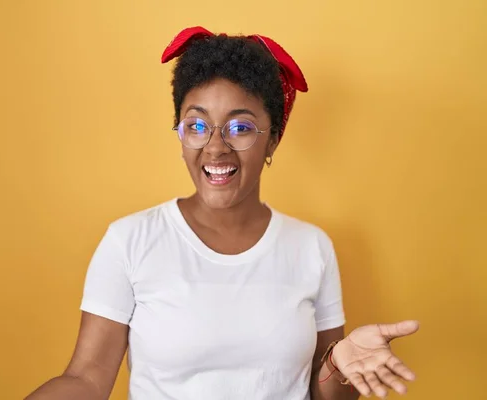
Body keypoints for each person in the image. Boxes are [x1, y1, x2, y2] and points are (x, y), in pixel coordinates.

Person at [26, 26, 419, 400]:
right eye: (196, 125)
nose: (215, 148)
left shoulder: (312, 248)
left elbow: (325, 392)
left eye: (240, 128)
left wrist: (339, 366)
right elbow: (86, 379)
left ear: (273, 141)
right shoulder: (130, 240)